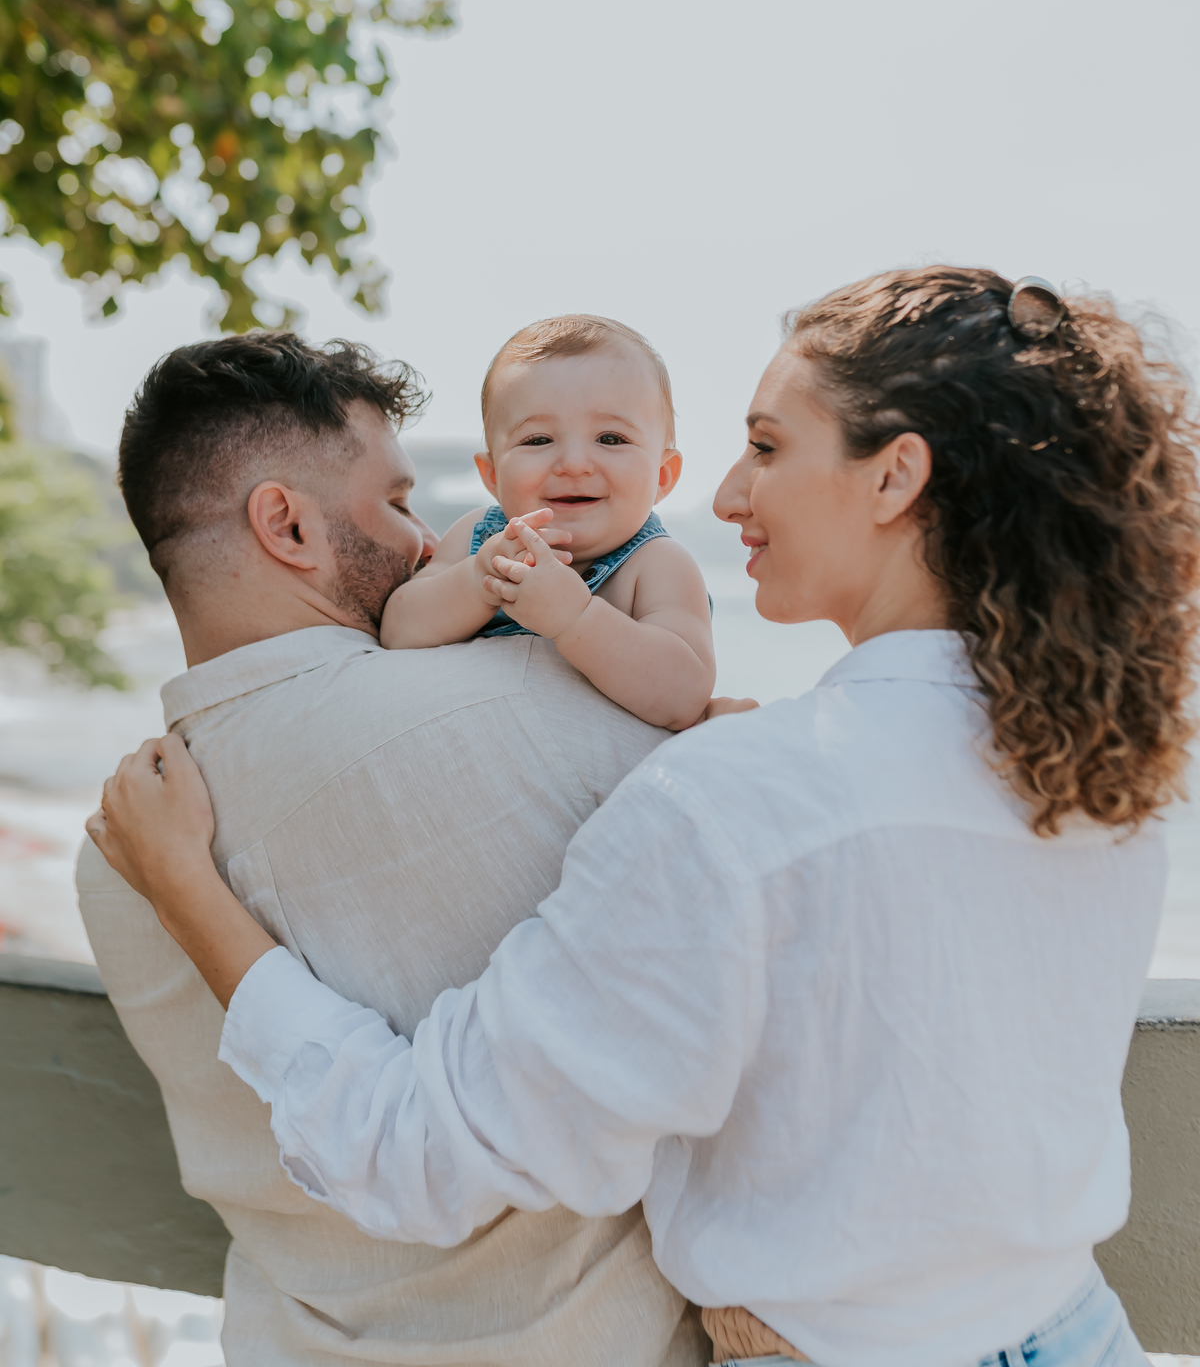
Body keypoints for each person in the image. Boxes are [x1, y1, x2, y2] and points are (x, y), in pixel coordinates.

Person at [92, 269, 1200, 1367]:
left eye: (766, 447)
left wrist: (190, 890)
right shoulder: (1108, 768)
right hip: (1076, 1331)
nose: (722, 496)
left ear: (894, 476)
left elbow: (418, 1152)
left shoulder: (733, 796)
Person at [77, 330, 709, 1367]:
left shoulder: (114, 858)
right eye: (402, 503)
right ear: (286, 524)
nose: (429, 544)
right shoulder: (537, 711)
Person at [380, 314, 716, 732]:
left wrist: (576, 618)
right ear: (493, 477)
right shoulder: (478, 538)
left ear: (662, 476)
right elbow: (398, 629)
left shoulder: (658, 565)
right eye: (538, 440)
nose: (574, 464)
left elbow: (683, 695)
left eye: (611, 438)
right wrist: (478, 579)